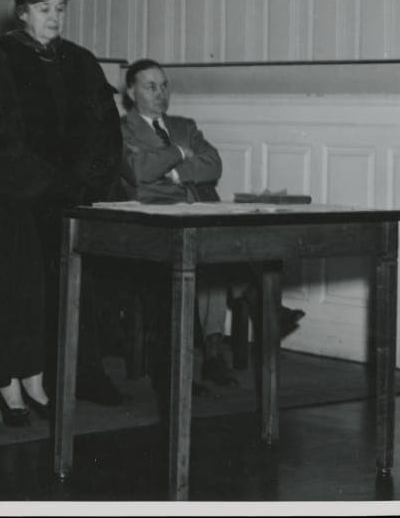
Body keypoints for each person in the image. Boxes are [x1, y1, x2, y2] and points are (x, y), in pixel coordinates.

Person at [0, 0, 126, 424]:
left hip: (68, 202)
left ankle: (38, 382)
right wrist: (43, 183)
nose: (53, 16)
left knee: (56, 296)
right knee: (15, 294)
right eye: (42, 7)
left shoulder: (81, 61)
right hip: (12, 203)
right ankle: (8, 388)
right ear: (21, 14)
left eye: (59, 8)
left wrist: (87, 182)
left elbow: (106, 131)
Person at [120, 59, 304, 389]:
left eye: (165, 86)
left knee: (217, 252)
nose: (161, 94)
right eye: (151, 87)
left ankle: (216, 352)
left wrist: (173, 172)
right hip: (156, 225)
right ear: (130, 92)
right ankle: (258, 308)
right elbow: (139, 174)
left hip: (201, 219)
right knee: (214, 255)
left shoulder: (185, 125)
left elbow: (213, 165)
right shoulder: (123, 129)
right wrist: (179, 152)